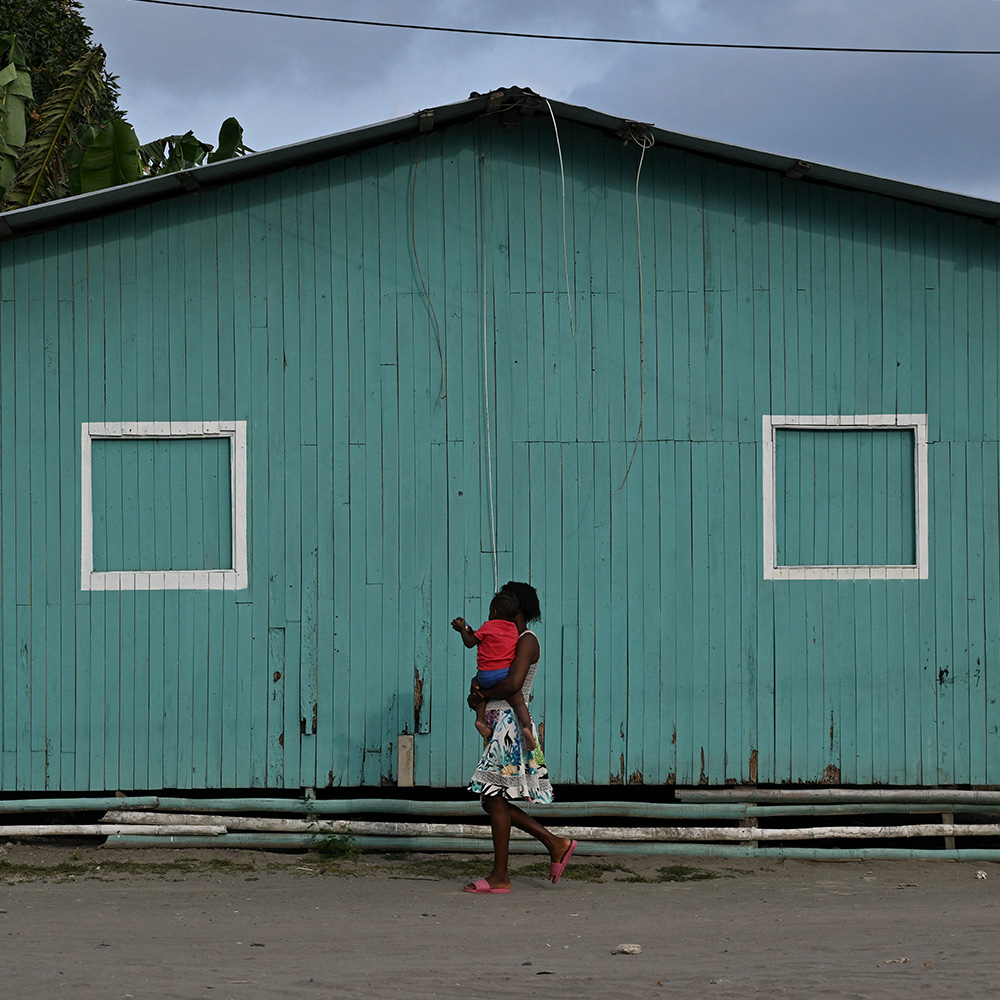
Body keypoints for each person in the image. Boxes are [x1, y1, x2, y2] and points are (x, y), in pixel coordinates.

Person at [462, 580, 577, 894]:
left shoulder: (527, 640)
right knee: (491, 799)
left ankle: (502, 876)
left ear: (519, 608)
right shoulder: (505, 639)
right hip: (499, 722)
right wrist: (478, 696)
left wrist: (481, 691)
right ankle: (555, 844)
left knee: (493, 798)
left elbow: (513, 684)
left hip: (512, 726)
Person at [452, 589, 536, 749]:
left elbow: (472, 641)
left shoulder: (488, 627)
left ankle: (479, 720)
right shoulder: (514, 631)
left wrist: (463, 628)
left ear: (494, 611)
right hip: (502, 675)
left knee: (481, 699)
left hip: (484, 676)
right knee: (519, 702)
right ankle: (527, 728)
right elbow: (512, 684)